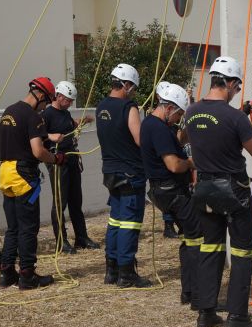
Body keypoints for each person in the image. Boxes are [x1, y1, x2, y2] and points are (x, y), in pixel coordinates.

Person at [185, 57, 252, 327]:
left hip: (204, 189)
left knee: (211, 247)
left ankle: (206, 313)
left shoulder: (191, 112)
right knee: (243, 251)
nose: (236, 91)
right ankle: (237, 318)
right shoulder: (235, 118)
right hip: (233, 190)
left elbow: (186, 138)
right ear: (230, 82)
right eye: (237, 86)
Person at [0, 77, 60, 290]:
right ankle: (27, 275)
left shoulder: (8, 111)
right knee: (28, 227)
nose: (46, 106)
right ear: (41, 95)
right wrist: (55, 159)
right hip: (23, 175)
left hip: (6, 172)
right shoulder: (33, 116)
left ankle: (6, 273)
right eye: (48, 101)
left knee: (13, 227)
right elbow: (37, 151)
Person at [140, 82, 199, 307]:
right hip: (172, 191)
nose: (178, 118)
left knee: (190, 237)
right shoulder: (157, 128)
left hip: (165, 191)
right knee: (197, 238)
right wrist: (194, 162)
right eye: (178, 114)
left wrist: (188, 127)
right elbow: (174, 165)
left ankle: (190, 292)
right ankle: (195, 293)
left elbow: (178, 141)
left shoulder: (154, 126)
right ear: (168, 108)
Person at [96, 63, 152, 288]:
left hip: (110, 171)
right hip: (130, 172)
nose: (134, 92)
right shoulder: (128, 107)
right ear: (126, 85)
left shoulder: (101, 107)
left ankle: (111, 269)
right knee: (129, 223)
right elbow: (140, 139)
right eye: (134, 88)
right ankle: (127, 272)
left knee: (115, 220)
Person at [42, 80, 99, 254]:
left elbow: (71, 124)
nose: (70, 103)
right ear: (58, 96)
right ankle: (61, 240)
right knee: (60, 202)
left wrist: (84, 121)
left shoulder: (64, 113)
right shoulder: (47, 114)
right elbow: (39, 137)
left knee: (76, 200)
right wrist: (52, 137)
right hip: (59, 162)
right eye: (68, 100)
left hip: (72, 159)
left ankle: (81, 237)